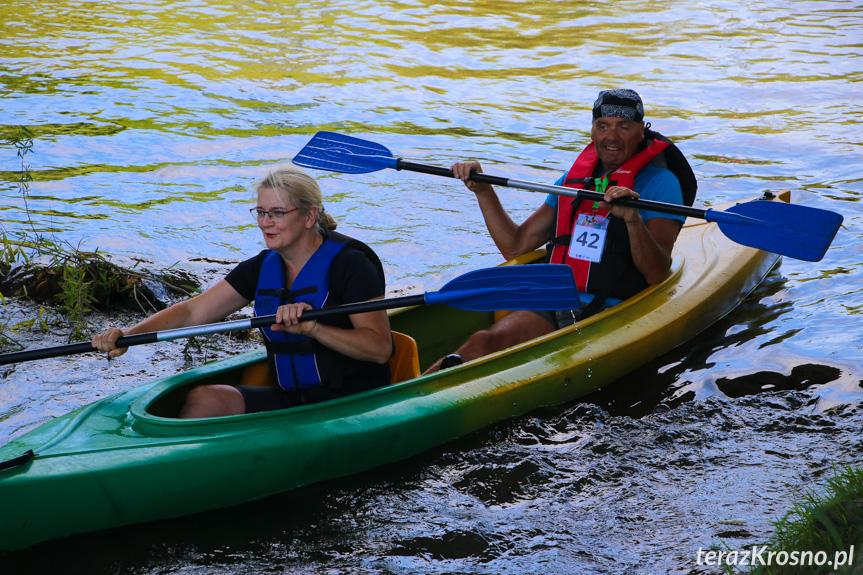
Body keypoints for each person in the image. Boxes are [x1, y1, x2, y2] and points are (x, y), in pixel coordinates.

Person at [427, 88, 694, 373]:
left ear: (641, 131)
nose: (612, 137)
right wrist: (483, 191)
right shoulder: (573, 179)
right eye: (603, 126)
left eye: (624, 127)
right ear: (592, 131)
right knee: (482, 342)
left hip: (615, 309)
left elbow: (657, 273)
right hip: (557, 296)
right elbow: (516, 245)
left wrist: (632, 220)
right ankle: (418, 396)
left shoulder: (661, 184)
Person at [92, 165, 393, 417]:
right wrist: (130, 335)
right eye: (260, 212)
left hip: (354, 402)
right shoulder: (262, 268)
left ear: (309, 216)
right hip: (290, 400)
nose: (265, 223)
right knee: (205, 397)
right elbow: (193, 311)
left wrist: (314, 328)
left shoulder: (352, 263)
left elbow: (380, 349)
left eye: (277, 213)